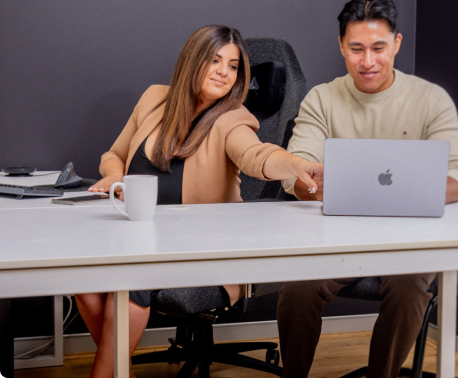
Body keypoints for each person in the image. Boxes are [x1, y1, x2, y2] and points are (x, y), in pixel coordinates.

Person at [77, 25, 323, 378]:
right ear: (192, 61)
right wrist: (114, 177)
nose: (224, 71)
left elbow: (259, 156)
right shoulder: (153, 100)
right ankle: (122, 370)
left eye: (234, 66)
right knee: (82, 285)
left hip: (199, 248)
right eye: (215, 60)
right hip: (138, 239)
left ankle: (104, 374)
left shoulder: (232, 118)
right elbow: (114, 154)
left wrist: (299, 165)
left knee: (126, 282)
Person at [275, 0, 458, 378]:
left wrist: (409, 193)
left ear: (396, 44)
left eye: (379, 48)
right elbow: (295, 173)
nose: (368, 61)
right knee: (298, 288)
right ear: (341, 47)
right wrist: (306, 183)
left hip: (410, 236)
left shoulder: (430, 99)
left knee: (410, 286)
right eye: (357, 49)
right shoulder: (322, 98)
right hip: (337, 233)